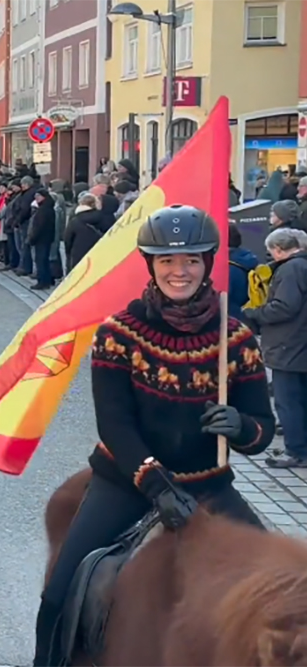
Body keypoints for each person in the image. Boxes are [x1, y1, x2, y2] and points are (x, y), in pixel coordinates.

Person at [32, 205, 277, 667]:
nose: (178, 271)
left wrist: (243, 427)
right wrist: (155, 484)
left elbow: (262, 427)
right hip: (125, 485)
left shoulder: (237, 338)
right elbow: (115, 424)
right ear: (150, 265)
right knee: (59, 595)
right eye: (167, 261)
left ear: (207, 263)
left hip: (208, 486)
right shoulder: (118, 333)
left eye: (190, 260)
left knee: (279, 595)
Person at [244, 228, 307, 469]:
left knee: (287, 400)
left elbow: (284, 306)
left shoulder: (291, 269)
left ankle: (296, 451)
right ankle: (301, 446)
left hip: (288, 344)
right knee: (300, 398)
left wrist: (254, 313)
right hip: (300, 342)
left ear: (279, 250)